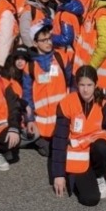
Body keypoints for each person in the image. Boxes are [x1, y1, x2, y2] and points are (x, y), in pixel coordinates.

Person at [49, 65, 106, 206]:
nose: (85, 89)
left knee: (102, 147)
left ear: (96, 84)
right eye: (82, 85)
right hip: (78, 157)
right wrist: (58, 175)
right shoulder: (67, 103)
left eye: (89, 85)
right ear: (76, 85)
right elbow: (59, 141)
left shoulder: (105, 104)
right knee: (90, 199)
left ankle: (99, 174)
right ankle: (88, 176)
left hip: (98, 152)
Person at [23, 22, 73, 157]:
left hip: (61, 121)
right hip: (42, 123)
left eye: (49, 38)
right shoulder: (30, 67)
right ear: (35, 43)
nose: (48, 43)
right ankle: (37, 140)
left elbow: (71, 84)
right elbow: (27, 97)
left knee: (63, 151)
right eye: (43, 40)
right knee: (49, 152)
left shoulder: (61, 57)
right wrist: (30, 120)